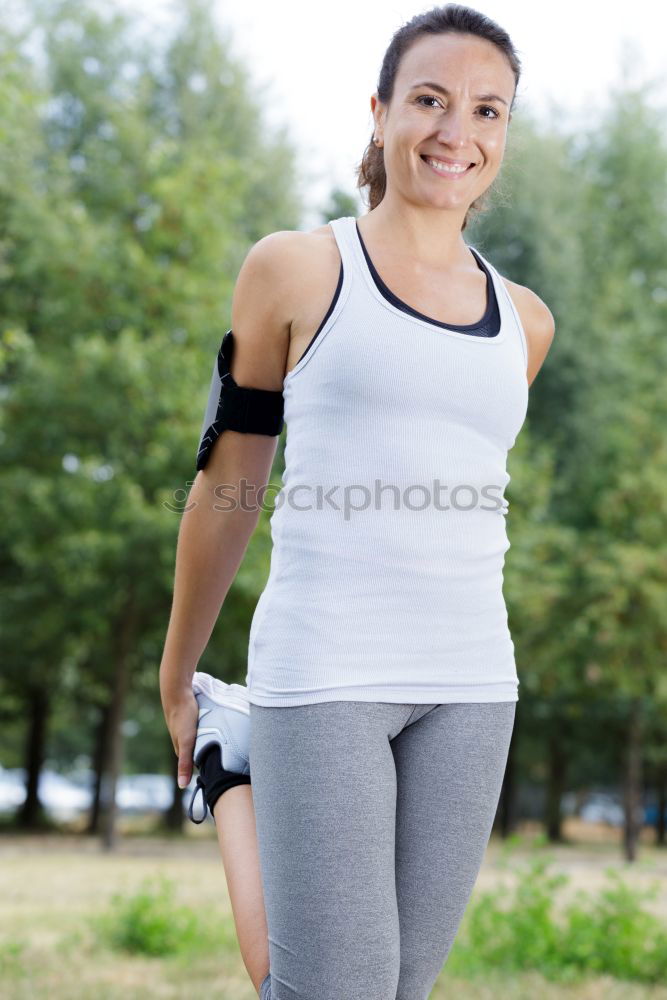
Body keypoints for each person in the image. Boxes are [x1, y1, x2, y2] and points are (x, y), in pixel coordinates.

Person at [159, 4, 556, 998]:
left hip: (471, 682)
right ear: (380, 114)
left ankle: (230, 769)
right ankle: (229, 757)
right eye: (428, 99)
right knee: (330, 987)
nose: (455, 130)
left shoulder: (526, 325)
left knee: (396, 987)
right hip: (326, 662)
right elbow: (231, 482)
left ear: (504, 135)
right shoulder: (295, 269)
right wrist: (177, 673)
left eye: (486, 110)